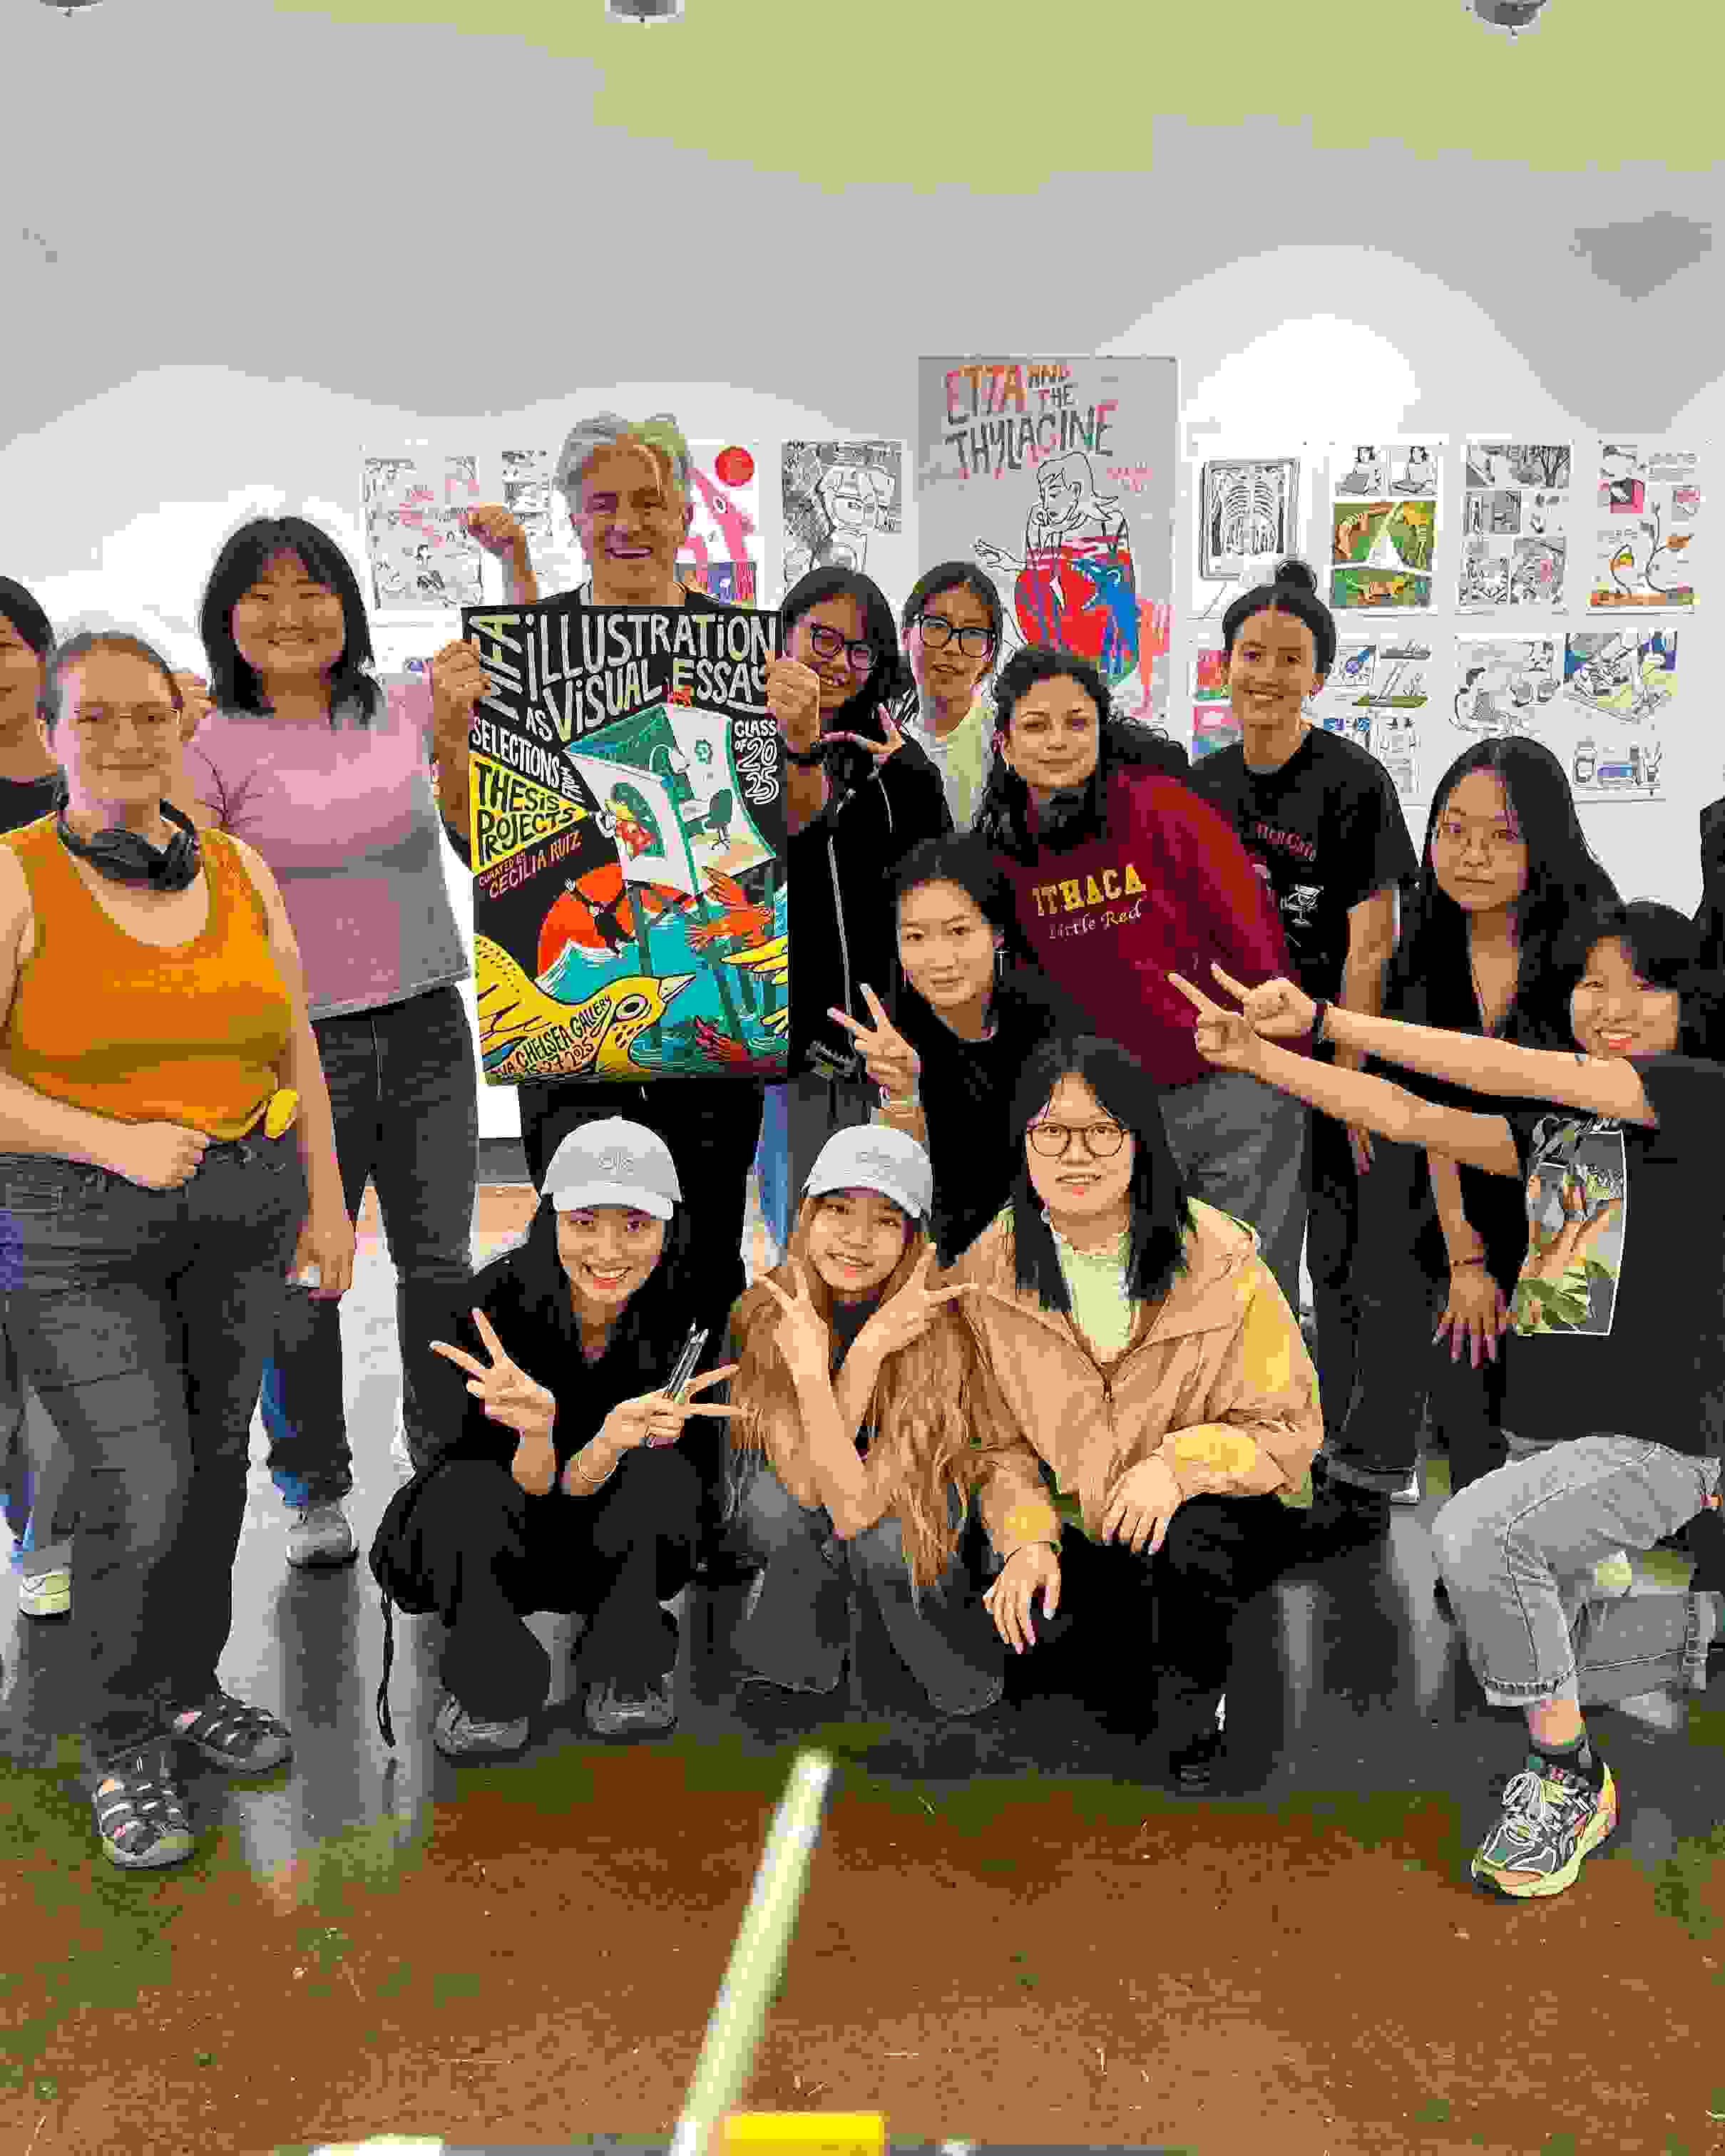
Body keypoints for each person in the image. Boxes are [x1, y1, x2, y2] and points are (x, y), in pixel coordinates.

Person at [1172, 907, 1725, 1898]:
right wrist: (1260, 1058)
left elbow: (1505, 1069)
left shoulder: (1692, 1096)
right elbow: (1410, 1119)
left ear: (1688, 1003)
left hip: (1653, 1439)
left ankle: (1567, 1781)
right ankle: (1692, 1632)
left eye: (1638, 987)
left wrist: (1327, 1019)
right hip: (1543, 1434)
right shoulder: (1569, 1127)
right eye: (1590, 984)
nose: (1606, 1008)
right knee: (1518, 1641)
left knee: (1472, 1538)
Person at [0, 627, 350, 1869]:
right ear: (51, 730)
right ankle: (119, 1735)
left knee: (208, 1473)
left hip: (243, 1203)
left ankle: (189, 1687)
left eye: (150, 713)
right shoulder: (16, 875)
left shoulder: (241, 870)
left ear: (181, 722)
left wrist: (323, 1193)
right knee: (134, 1486)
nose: (128, 737)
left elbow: (292, 1038)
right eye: (95, 716)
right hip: (71, 1225)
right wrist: (110, 1139)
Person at [428, 414, 771, 1349]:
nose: (627, 522)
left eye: (649, 499)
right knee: (577, 1242)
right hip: (568, 1017)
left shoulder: (740, 651)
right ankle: (580, 1438)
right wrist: (451, 734)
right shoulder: (525, 654)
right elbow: (477, 840)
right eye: (603, 502)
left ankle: (702, 1446)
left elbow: (771, 834)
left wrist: (799, 735)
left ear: (687, 511)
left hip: (709, 1011)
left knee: (706, 1243)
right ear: (572, 516)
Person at [186, 517, 478, 1563]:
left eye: (310, 592)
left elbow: (471, 833)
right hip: (291, 1047)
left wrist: (453, 731)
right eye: (259, 597)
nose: (289, 616)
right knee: (309, 1273)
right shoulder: (211, 741)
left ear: (346, 607)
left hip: (428, 1026)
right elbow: (190, 893)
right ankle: (312, 1482)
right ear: (227, 620)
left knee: (440, 1263)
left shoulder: (404, 704)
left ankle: (445, 1460)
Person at [948, 1033, 1321, 1792]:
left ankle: (1209, 1700)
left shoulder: (1217, 1257)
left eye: (1102, 1130)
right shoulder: (986, 1272)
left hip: (1211, 1504)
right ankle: (1124, 1611)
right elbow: (994, 1445)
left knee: (1189, 1568)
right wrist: (1025, 1542)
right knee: (1047, 1671)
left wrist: (1176, 1467)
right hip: (1085, 1509)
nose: (1075, 1154)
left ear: (1139, 1140)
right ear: (1023, 1143)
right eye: (1051, 1131)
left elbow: (1286, 1427)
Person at [1306, 737, 1617, 1552]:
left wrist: (1523, 1268)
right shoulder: (1428, 940)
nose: (1471, 855)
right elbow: (1430, 1107)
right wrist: (1464, 1258)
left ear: (1543, 838)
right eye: (1452, 829)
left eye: (1501, 835)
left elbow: (1588, 1135)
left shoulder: (1593, 939)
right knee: (1459, 1342)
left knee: (1553, 1401)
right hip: (1462, 1179)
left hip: (1577, 1196)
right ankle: (1464, 1537)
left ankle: (1549, 1560)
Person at [971, 645, 1312, 1316]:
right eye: (1036, 726)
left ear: (1102, 729)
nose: (1059, 741)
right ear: (1005, 745)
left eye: (1077, 722)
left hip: (1234, 1090)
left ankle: (1268, 1423)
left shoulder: (1159, 807)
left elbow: (1251, 932)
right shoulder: (1007, 847)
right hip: (1121, 1112)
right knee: (1143, 1296)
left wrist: (1280, 1067)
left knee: (1248, 1291)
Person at [1186, 560, 1418, 1478]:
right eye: (1251, 654)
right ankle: (1247, 1428)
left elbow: (1371, 945)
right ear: (1226, 666)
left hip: (1328, 1045)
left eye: (1289, 659)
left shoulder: (1354, 785)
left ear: (1317, 674)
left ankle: (1359, 1450)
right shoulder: (1201, 785)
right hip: (1236, 1063)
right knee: (1242, 1248)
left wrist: (1350, 1078)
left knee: (1345, 1255)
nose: (1267, 676)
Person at [409, 1120, 737, 1752]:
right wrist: (535, 1434)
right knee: (460, 1493)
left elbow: (690, 1494)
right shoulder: (489, 1307)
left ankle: (625, 1665)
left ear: (669, 1227)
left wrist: (609, 1440)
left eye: (635, 1225)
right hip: (509, 1535)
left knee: (664, 1478)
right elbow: (474, 1483)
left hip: (619, 1543)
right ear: (551, 1219)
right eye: (584, 1222)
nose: (608, 1252)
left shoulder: (690, 1315)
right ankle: (491, 1682)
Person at [721, 1125, 1056, 1713]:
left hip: (917, 1503)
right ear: (806, 1216)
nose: (855, 1238)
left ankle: (955, 1668)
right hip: (820, 1493)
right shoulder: (769, 1309)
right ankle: (799, 1656)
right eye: (838, 1210)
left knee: (884, 1536)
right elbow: (802, 1485)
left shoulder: (942, 1326)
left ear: (912, 1239)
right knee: (775, 1508)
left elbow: (855, 1512)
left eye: (885, 1220)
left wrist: (871, 1349)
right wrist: (848, 1364)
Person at [776, 565, 951, 1234]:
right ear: (784, 633)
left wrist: (908, 775)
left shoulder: (889, 759)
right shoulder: (737, 744)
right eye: (823, 640)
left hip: (889, 1043)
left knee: (893, 1230)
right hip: (787, 1049)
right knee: (807, 1226)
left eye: (860, 650)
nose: (841, 665)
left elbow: (936, 881)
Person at [824, 831, 1091, 1263]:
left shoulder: (1047, 1015)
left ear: (998, 933)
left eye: (959, 931)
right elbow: (896, 1190)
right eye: (915, 937)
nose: (939, 957)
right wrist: (903, 1094)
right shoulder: (888, 1043)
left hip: (1054, 1252)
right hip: (948, 1268)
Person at [0, 580, 79, 1616]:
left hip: (83, 1097)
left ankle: (56, 1530)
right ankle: (33, 1525)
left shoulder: (89, 766)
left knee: (65, 1333)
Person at [891, 562, 1004, 830]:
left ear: (989, 653)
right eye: (937, 625)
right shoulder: (887, 745)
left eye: (974, 632)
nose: (953, 648)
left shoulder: (1010, 736)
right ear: (906, 636)